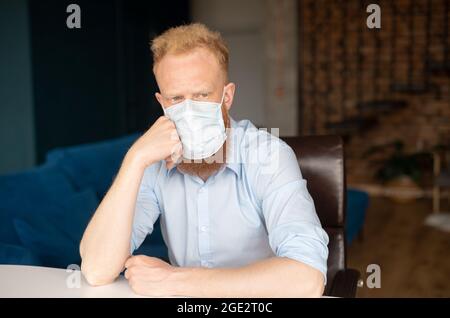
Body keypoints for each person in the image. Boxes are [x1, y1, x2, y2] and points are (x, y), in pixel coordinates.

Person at [79, 23, 329, 297]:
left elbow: (308, 279)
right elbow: (96, 269)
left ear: (227, 96)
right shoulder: (152, 161)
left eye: (201, 95)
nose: (189, 111)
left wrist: (174, 281)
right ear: (162, 103)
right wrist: (135, 159)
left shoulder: (269, 155)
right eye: (176, 98)